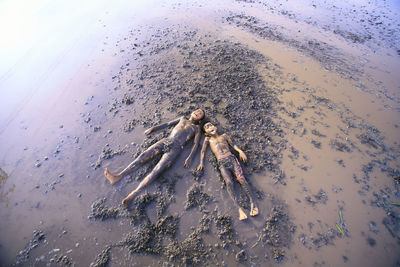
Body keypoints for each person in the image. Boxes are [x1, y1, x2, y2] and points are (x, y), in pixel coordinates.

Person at [104, 108, 205, 207]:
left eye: (200, 113)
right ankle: (118, 176)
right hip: (167, 140)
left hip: (176, 147)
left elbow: (196, 144)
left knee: (157, 170)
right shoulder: (182, 118)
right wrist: (154, 128)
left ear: (200, 119)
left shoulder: (196, 128)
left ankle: (132, 194)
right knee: (142, 157)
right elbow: (168, 124)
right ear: (192, 112)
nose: (198, 112)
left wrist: (190, 157)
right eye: (197, 111)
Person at [197, 122, 258, 220]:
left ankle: (253, 203)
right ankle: (239, 209)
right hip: (221, 163)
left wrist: (240, 151)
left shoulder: (224, 136)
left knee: (241, 179)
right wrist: (201, 163)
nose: (209, 127)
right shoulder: (208, 139)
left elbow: (233, 144)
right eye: (206, 127)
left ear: (215, 127)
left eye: (210, 125)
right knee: (229, 183)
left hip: (231, 158)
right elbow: (202, 151)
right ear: (206, 132)